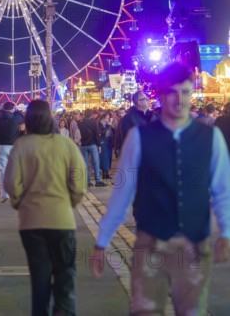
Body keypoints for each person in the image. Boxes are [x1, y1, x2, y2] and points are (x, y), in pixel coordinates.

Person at [90, 63, 230, 316]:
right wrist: (102, 241)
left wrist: (226, 232)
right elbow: (123, 193)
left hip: (195, 244)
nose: (181, 100)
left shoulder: (211, 138)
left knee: (192, 311)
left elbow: (222, 189)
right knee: (144, 310)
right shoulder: (139, 138)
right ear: (162, 95)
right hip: (151, 242)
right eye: (174, 92)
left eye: (186, 92)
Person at [4, 100, 86, 316]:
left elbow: (12, 183)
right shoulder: (66, 146)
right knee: (65, 274)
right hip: (62, 219)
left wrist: (19, 203)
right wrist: (69, 203)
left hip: (31, 221)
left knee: (39, 276)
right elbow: (79, 183)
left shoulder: (22, 146)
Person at [0, 101, 24, 202]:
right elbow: (21, 115)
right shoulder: (17, 118)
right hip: (14, 147)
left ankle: (4, 195)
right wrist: (16, 110)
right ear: (13, 109)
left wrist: (2, 110)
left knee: (3, 172)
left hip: (2, 146)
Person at [78, 109, 106, 187]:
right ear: (91, 115)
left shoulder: (80, 123)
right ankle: (97, 181)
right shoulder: (93, 122)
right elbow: (96, 134)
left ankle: (87, 182)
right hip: (93, 144)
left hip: (83, 144)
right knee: (96, 163)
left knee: (85, 164)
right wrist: (99, 144)